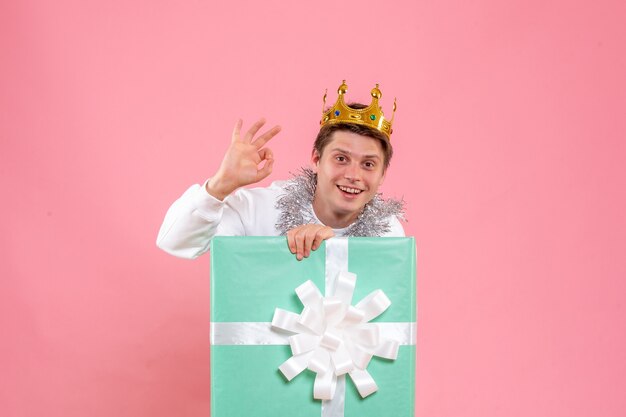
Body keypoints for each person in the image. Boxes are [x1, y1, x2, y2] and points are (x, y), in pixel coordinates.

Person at [156, 80, 405, 261]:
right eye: (341, 158)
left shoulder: (388, 232)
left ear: (382, 175)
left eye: (369, 164)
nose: (354, 175)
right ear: (316, 159)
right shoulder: (257, 209)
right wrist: (220, 185)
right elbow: (175, 242)